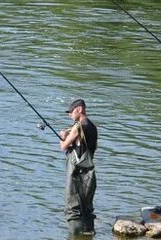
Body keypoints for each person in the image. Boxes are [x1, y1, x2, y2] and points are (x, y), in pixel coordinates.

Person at [59, 98, 98, 236]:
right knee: (86, 206)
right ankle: (88, 233)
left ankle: (74, 235)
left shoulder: (78, 126)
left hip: (76, 173)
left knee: (73, 208)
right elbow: (82, 146)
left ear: (79, 109)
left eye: (71, 111)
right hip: (89, 173)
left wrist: (63, 136)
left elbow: (63, 146)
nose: (69, 114)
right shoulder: (92, 126)